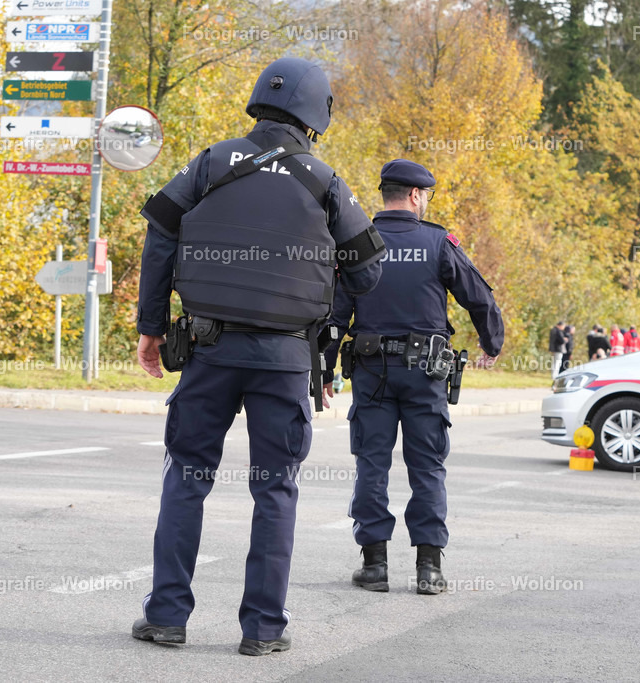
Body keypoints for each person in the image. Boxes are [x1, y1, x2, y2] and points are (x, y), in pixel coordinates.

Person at [132, 57, 385, 656]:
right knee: (274, 490)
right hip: (284, 360)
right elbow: (368, 271)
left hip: (208, 351)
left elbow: (160, 234)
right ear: (317, 114)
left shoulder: (211, 162)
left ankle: (167, 617)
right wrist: (323, 309)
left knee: (187, 479)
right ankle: (262, 629)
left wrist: (150, 327)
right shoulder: (324, 180)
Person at [325, 159, 504, 596]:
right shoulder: (438, 242)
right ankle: (429, 569)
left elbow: (334, 313)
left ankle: (374, 566)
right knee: (427, 467)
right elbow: (478, 296)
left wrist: (324, 367)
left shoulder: (358, 240)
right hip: (426, 373)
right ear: (416, 195)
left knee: (372, 464)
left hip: (371, 373)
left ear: (386, 194)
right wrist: (491, 342)